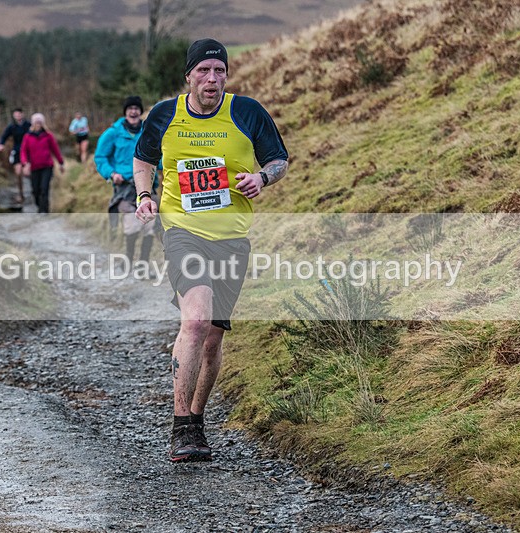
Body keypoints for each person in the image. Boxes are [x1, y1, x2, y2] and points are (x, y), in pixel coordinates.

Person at [133, 38, 289, 462]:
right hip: (182, 230)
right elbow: (142, 158)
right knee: (197, 320)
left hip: (232, 238)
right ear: (189, 76)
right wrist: (144, 195)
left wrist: (263, 179)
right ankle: (181, 426)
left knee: (213, 338)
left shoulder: (248, 112)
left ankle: (197, 421)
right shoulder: (165, 115)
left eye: (219, 71)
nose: (212, 79)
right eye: (203, 71)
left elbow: (278, 160)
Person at [95, 96, 157, 272]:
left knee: (150, 224)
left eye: (137, 108)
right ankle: (129, 259)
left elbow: (160, 155)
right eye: (130, 108)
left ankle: (143, 264)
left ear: (140, 111)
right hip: (124, 186)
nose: (133, 111)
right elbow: (100, 158)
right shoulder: (112, 133)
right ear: (125, 112)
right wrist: (111, 173)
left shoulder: (148, 131)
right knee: (131, 222)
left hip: (148, 184)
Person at [19, 113, 64, 213]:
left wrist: (61, 163)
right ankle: (39, 206)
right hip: (34, 167)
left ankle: (44, 210)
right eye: (36, 122)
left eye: (40, 123)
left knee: (44, 189)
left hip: (47, 166)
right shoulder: (27, 137)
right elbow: (23, 151)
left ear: (43, 124)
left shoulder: (48, 136)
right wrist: (25, 163)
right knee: (35, 190)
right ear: (33, 124)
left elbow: (55, 150)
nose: (38, 124)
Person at [0, 108, 31, 205]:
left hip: (29, 151)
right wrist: (1, 144)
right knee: (18, 172)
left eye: (19, 114)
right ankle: (21, 194)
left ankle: (35, 190)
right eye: (15, 115)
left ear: (22, 114)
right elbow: (4, 136)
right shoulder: (12, 127)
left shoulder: (29, 125)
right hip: (17, 151)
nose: (17, 116)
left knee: (29, 173)